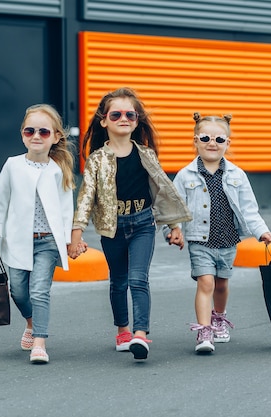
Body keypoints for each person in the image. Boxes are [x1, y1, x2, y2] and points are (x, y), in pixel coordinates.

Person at [68, 87, 191, 360]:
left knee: (138, 279)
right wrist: (75, 235)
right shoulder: (97, 159)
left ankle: (140, 334)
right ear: (104, 121)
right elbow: (86, 198)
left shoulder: (146, 154)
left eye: (130, 114)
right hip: (112, 227)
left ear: (137, 121)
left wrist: (175, 228)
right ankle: (123, 330)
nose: (124, 118)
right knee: (119, 282)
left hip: (143, 224)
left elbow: (163, 192)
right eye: (116, 114)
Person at [0, 104, 80, 364]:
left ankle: (40, 343)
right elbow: (0, 200)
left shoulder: (58, 171)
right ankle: (31, 324)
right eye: (29, 130)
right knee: (19, 291)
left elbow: (66, 208)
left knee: (39, 291)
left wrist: (68, 240)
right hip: (18, 240)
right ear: (22, 133)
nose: (36, 136)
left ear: (56, 137)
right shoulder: (12, 165)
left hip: (47, 242)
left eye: (43, 132)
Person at [168, 112, 271, 353]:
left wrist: (262, 232)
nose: (212, 143)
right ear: (195, 141)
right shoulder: (185, 175)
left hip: (227, 240)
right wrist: (173, 229)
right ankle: (204, 332)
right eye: (205, 138)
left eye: (219, 139)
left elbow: (249, 209)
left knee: (221, 285)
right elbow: (172, 206)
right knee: (206, 282)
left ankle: (219, 317)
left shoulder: (237, 175)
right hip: (200, 240)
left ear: (228, 143)